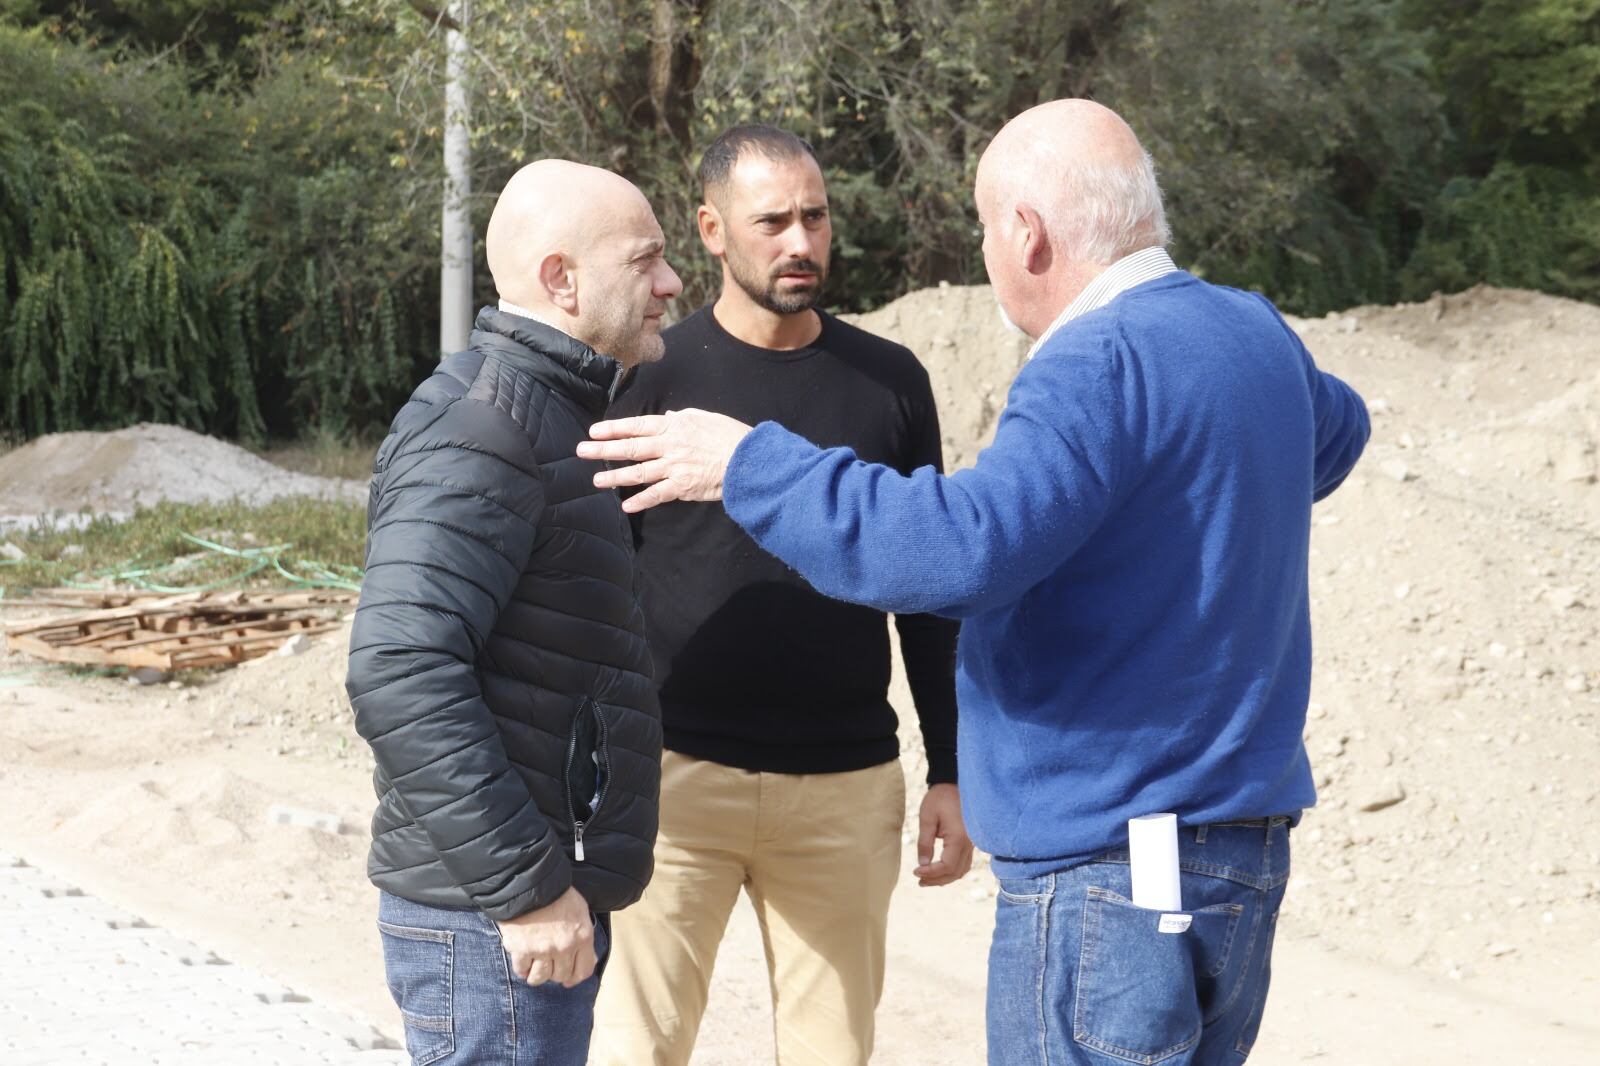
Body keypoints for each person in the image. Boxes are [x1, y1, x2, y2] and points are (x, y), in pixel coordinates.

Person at [577, 99, 1371, 1065]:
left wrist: (749, 467)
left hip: (1108, 868)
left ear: (1028, 235)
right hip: (1233, 856)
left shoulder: (1095, 360)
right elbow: (1336, 434)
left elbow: (962, 555)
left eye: (987, 230)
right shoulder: (1250, 332)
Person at [590, 124, 973, 1066]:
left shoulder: (889, 382)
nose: (801, 242)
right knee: (637, 1049)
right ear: (713, 232)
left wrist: (952, 772)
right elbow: (594, 583)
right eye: (774, 222)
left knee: (832, 1054)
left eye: (816, 216)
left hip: (844, 789)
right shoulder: (648, 376)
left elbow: (926, 591)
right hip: (674, 783)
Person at [345, 159, 681, 1066]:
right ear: (560, 278)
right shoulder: (484, 429)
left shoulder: (548, 415)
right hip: (494, 922)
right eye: (646, 260)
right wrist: (527, 888)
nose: (670, 283)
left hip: (512, 909)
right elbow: (399, 668)